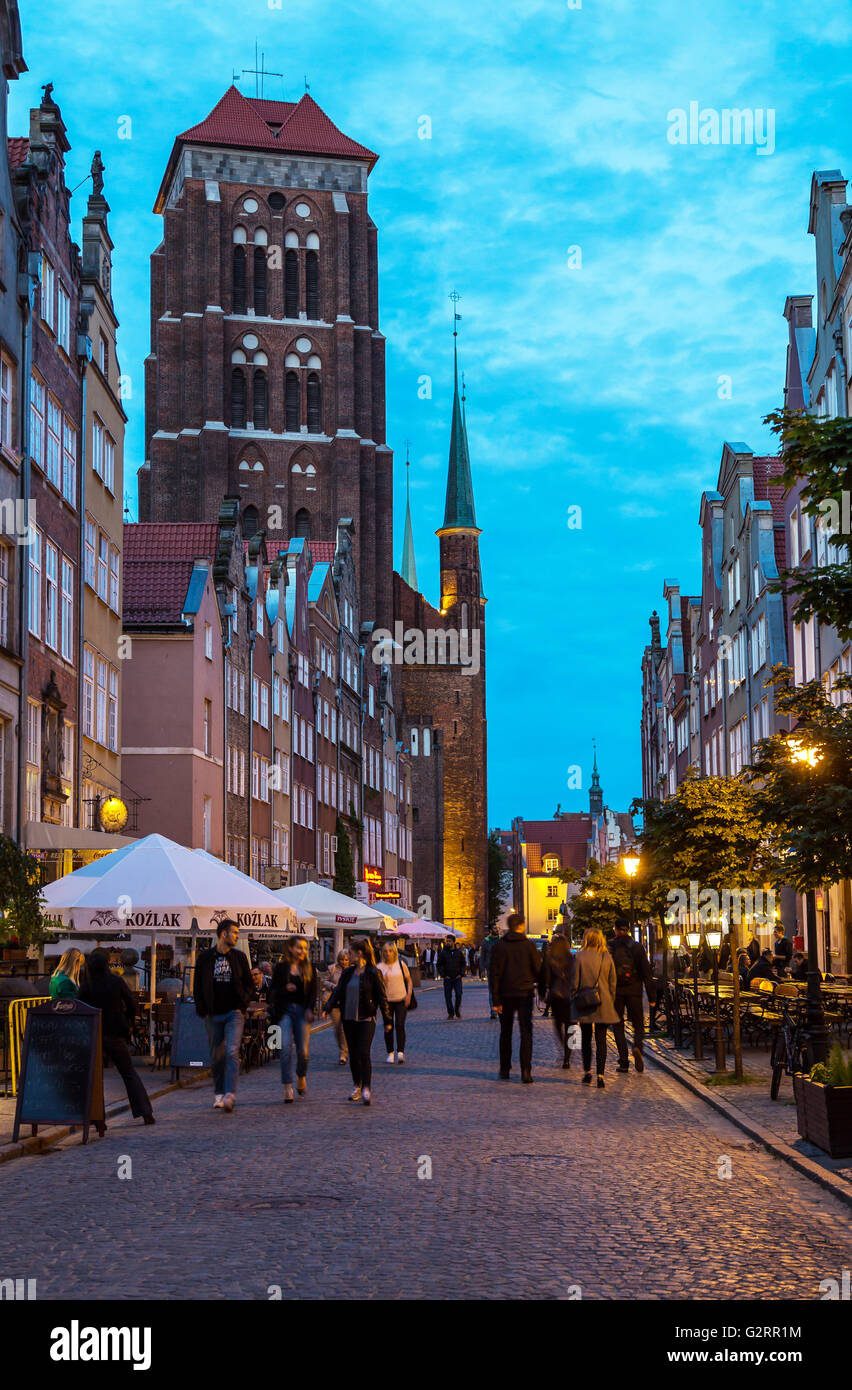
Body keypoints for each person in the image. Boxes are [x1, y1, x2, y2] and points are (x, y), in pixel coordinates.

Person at [79, 950, 154, 1125]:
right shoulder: (116, 981)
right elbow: (131, 1004)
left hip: (95, 1033)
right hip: (115, 1033)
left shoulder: (87, 985)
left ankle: (98, 1119)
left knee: (95, 1077)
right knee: (128, 1073)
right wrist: (128, 1022)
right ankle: (145, 1112)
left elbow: (80, 1006)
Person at [193, 917, 253, 1113]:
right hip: (212, 1013)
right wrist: (201, 1007)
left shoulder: (239, 957)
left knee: (232, 1051)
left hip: (234, 1012)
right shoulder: (205, 958)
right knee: (217, 1055)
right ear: (223, 934)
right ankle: (219, 1093)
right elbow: (197, 985)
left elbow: (249, 984)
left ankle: (230, 1094)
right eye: (234, 932)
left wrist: (243, 1001)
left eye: (237, 933)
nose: (236, 936)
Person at [325, 937, 385, 1105]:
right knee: (354, 1054)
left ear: (359, 953)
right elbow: (337, 992)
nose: (348, 956)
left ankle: (366, 1088)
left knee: (364, 1053)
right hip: (349, 1018)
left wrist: (387, 1021)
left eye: (350, 953)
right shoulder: (347, 973)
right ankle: (356, 1085)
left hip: (367, 1018)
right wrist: (327, 1007)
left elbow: (382, 997)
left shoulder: (373, 972)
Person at [490, 912, 543, 1083]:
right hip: (525, 994)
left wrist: (496, 1000)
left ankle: (505, 1069)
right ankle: (526, 1071)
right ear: (521, 926)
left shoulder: (499, 946)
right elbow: (538, 970)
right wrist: (540, 989)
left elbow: (494, 974)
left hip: (505, 995)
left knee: (505, 1032)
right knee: (526, 1032)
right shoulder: (529, 946)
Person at [269, 938, 319, 1102]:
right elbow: (272, 992)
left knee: (303, 1052)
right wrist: (284, 988)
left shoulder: (309, 968)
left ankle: (301, 1076)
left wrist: (310, 1009)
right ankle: (287, 1086)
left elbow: (313, 993)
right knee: (284, 1047)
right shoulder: (281, 968)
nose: (302, 951)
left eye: (304, 948)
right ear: (290, 948)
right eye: (299, 948)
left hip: (302, 1012)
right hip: (284, 1012)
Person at [609, 915, 656, 1074]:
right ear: (628, 929)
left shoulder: (611, 946)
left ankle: (623, 1061)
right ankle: (637, 1047)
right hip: (635, 991)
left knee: (618, 1025)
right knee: (638, 1024)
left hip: (616, 992)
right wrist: (651, 997)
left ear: (615, 929)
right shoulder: (637, 947)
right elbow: (646, 972)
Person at [572, 927, 619, 1089]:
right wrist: (609, 999)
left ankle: (587, 1072)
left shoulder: (579, 957)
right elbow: (613, 982)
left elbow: (574, 983)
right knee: (601, 1040)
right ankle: (601, 1075)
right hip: (603, 1002)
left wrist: (575, 996)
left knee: (586, 1039)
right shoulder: (607, 957)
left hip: (585, 1002)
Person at [543, 924, 575, 1068]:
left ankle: (564, 1046)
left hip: (557, 996)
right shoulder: (572, 958)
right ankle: (568, 1055)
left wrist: (544, 992)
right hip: (571, 995)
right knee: (571, 1025)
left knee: (558, 1023)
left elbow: (547, 979)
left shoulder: (551, 959)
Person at [377, 942, 413, 1064]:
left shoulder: (401, 964)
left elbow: (409, 980)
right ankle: (390, 1052)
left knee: (400, 1025)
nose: (388, 953)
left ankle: (400, 1052)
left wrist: (408, 995)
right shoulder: (380, 967)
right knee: (388, 1027)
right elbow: (377, 987)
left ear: (394, 952)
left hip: (401, 999)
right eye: (386, 951)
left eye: (390, 951)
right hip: (386, 1001)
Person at [324, 949, 350, 1065]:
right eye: (341, 959)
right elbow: (324, 981)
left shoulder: (353, 970)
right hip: (334, 1002)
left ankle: (343, 1053)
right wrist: (333, 986)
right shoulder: (332, 968)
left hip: (347, 1002)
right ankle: (343, 1048)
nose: (344, 962)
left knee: (344, 1028)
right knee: (337, 1029)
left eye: (346, 959)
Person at [437, 937, 466, 1019]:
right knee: (448, 996)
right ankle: (450, 1013)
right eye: (447, 941)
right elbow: (439, 964)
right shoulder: (443, 953)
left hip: (457, 977)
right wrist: (443, 975)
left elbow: (463, 964)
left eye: (450, 941)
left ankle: (457, 1010)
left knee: (459, 994)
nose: (448, 943)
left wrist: (461, 973)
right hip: (448, 978)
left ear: (453, 942)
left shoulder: (459, 952)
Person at [479, 926, 501, 1017]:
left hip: (501, 969)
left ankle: (500, 1009)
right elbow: (482, 956)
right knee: (492, 991)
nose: (497, 930)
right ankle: (493, 1010)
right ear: (491, 930)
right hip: (490, 969)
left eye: (497, 928)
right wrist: (482, 969)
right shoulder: (486, 941)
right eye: (495, 928)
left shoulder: (502, 940)